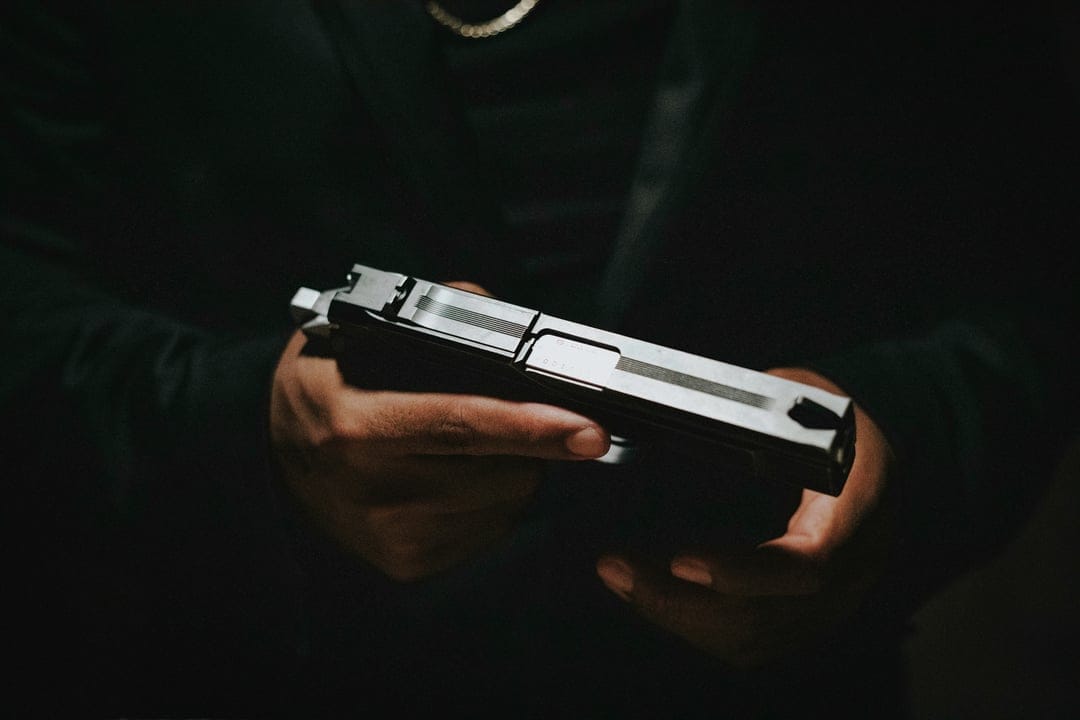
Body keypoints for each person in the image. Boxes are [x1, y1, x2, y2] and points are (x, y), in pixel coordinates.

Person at [2, 2, 1077, 717]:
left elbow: (1033, 263)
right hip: (239, 669)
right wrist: (244, 432)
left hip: (755, 681)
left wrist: (906, 442)